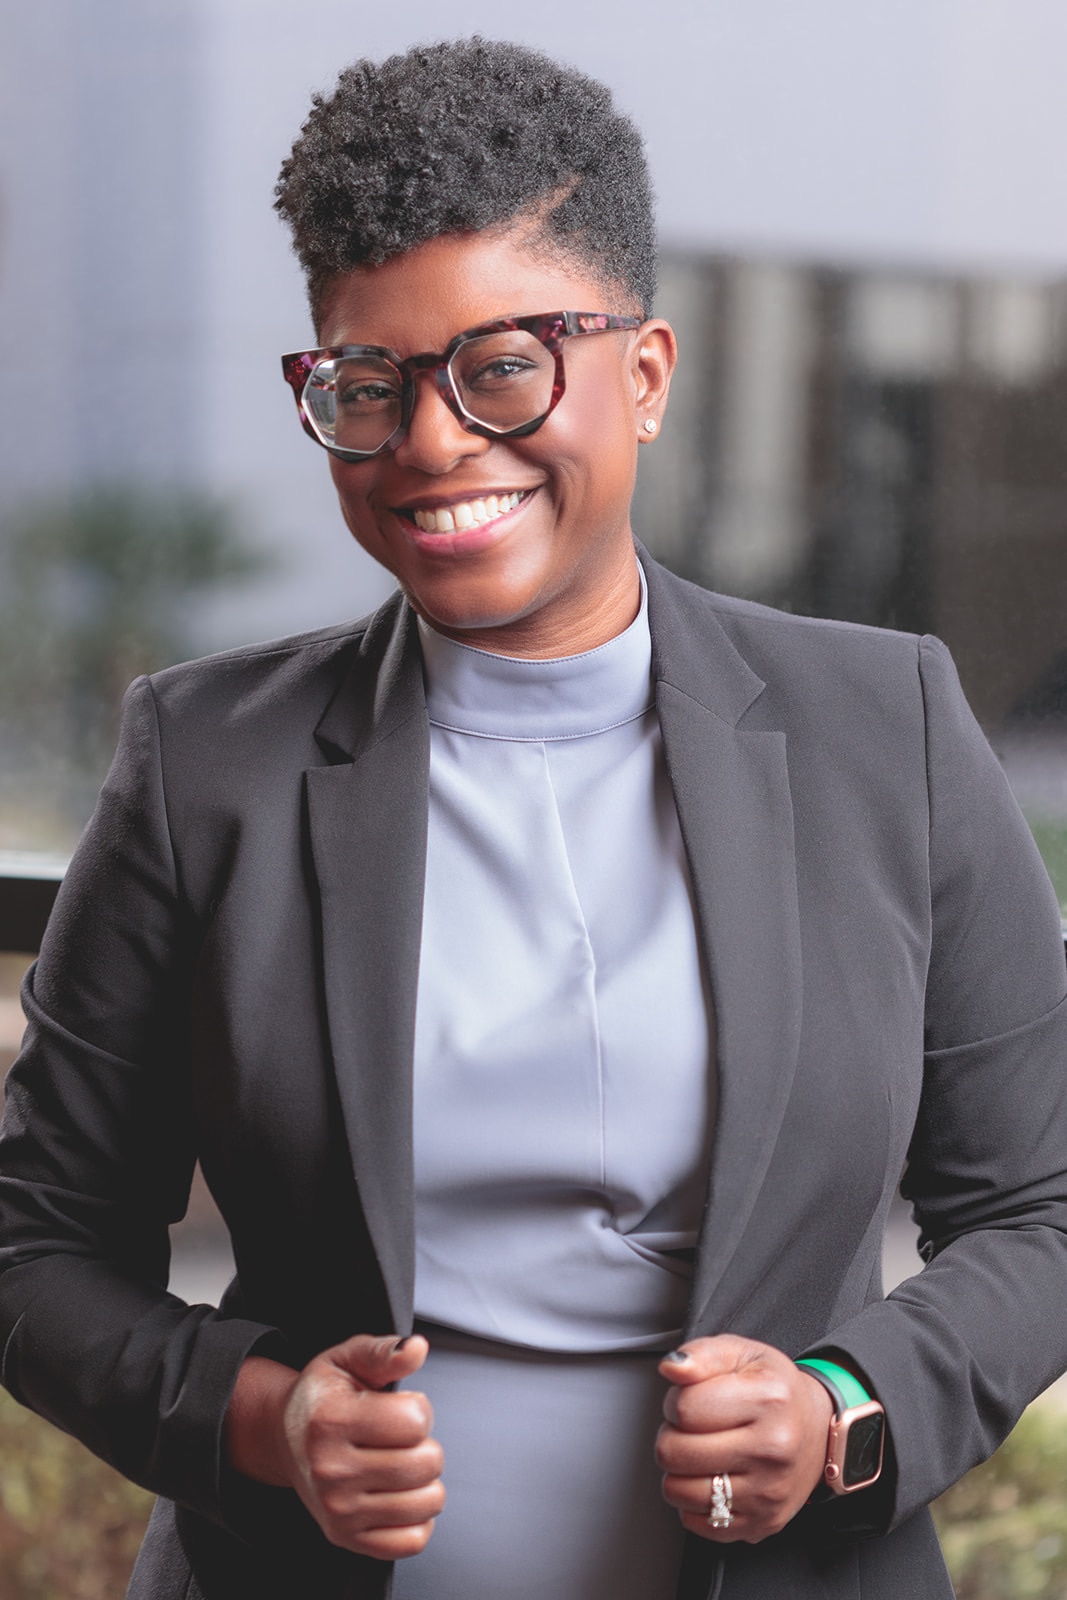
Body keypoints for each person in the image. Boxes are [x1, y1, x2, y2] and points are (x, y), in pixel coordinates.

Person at [1, 35, 1066, 1600]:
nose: (431, 444)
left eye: (502, 367)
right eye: (367, 384)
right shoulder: (206, 763)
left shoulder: (883, 728)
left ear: (642, 375)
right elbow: (33, 1248)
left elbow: (1041, 1208)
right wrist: (260, 1417)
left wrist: (849, 1408)